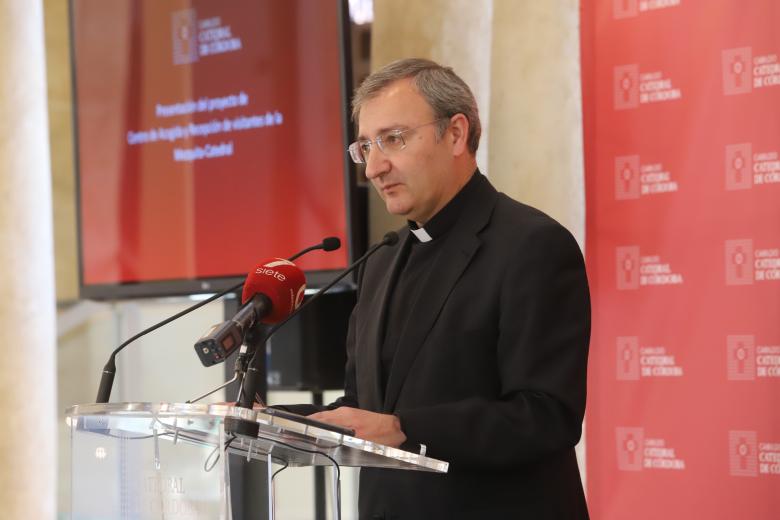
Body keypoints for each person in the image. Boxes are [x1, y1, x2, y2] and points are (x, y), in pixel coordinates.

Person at [285, 58, 590, 519]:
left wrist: (404, 428)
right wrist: (272, 420)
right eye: (365, 146)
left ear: (456, 134)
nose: (373, 167)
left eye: (393, 139)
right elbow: (362, 408)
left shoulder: (532, 245)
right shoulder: (381, 261)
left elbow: (546, 416)